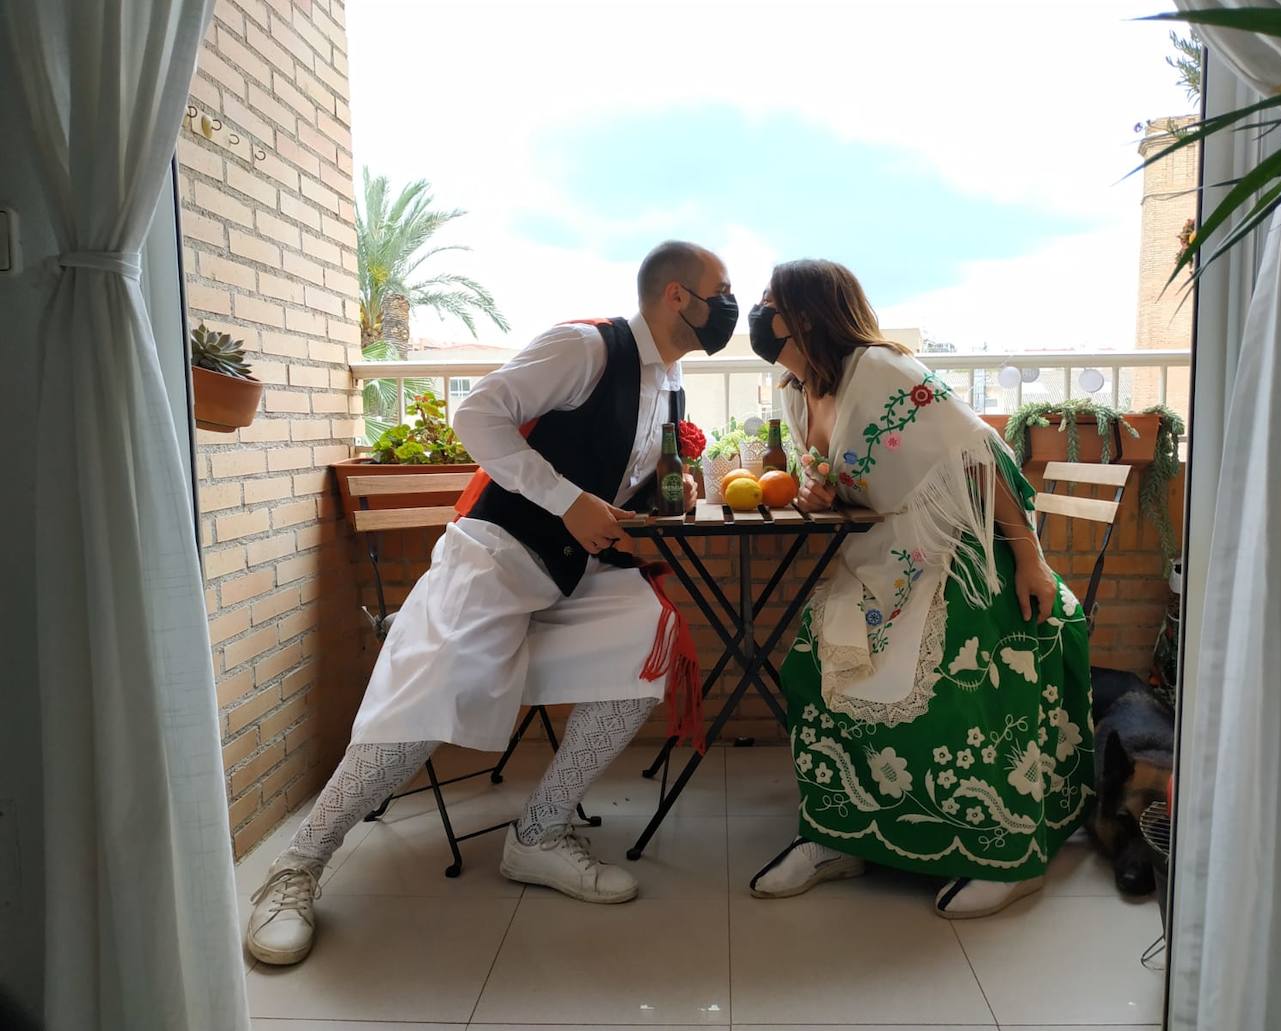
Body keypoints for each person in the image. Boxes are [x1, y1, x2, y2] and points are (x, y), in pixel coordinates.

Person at [245, 241, 736, 965]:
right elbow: (478, 416)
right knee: (429, 687)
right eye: (720, 290)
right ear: (675, 297)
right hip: (496, 554)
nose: (729, 305)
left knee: (647, 635)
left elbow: (611, 476)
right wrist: (567, 501)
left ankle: (538, 832)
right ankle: (299, 864)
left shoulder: (669, 385)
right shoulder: (586, 348)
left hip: (569, 575)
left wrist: (667, 490)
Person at [744, 259, 1092, 918]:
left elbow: (977, 450)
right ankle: (839, 834)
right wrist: (819, 494)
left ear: (808, 313)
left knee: (945, 675)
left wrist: (1031, 559)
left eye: (769, 301)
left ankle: (1005, 850)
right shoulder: (797, 388)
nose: (758, 315)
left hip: (949, 548)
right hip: (874, 557)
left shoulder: (879, 370)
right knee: (814, 668)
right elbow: (845, 483)